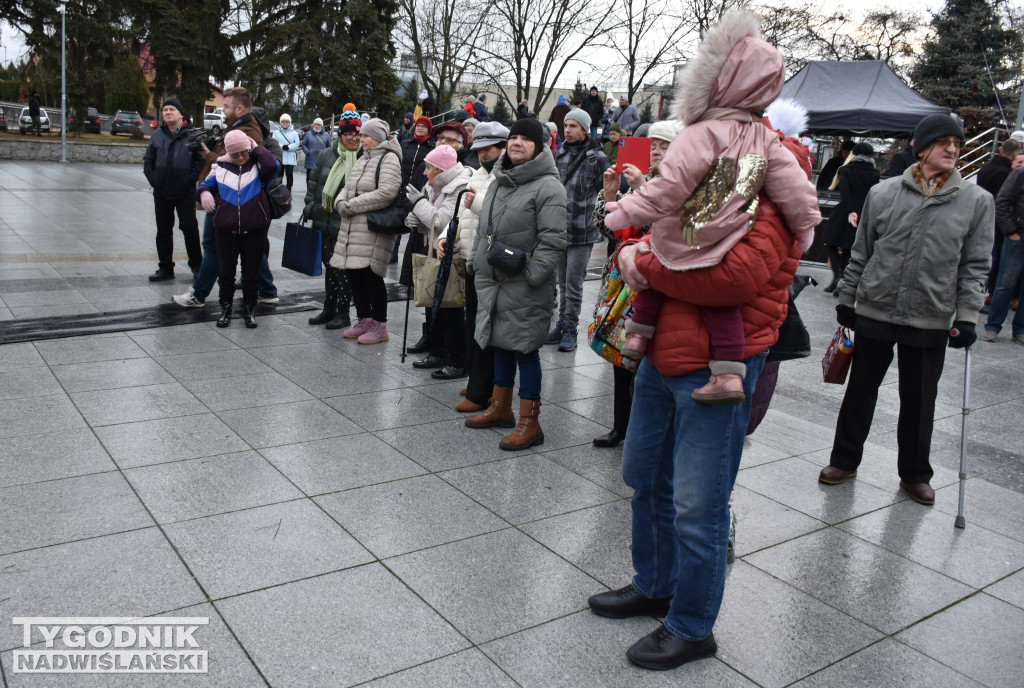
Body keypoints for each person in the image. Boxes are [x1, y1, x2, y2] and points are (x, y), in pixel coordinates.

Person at [586, 13, 820, 671]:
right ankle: (653, 583)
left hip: (722, 361)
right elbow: (668, 230)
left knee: (698, 503)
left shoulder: (765, 181)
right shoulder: (715, 170)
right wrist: (644, 249)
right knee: (644, 476)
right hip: (665, 352)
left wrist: (643, 267)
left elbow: (733, 277)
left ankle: (692, 625)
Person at [822, 113, 993, 506]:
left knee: (919, 400)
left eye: (957, 143)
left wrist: (966, 317)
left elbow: (975, 265)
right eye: (943, 142)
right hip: (875, 310)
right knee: (860, 392)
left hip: (930, 316)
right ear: (921, 148)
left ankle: (915, 474)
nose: (952, 149)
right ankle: (844, 461)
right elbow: (861, 251)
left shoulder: (976, 202)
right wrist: (847, 299)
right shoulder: (883, 193)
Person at [464, 117, 567, 450]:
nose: (517, 143)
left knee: (525, 350)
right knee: (500, 343)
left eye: (525, 138)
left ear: (539, 146)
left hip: (524, 282)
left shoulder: (549, 186)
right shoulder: (499, 181)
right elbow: (483, 228)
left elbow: (553, 240)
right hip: (494, 279)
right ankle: (500, 407)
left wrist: (532, 276)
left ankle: (530, 421)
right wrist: (475, 262)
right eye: (514, 137)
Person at [590, 119, 680, 447]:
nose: (656, 150)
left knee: (646, 364)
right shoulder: (644, 179)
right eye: (653, 144)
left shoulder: (681, 184)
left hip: (655, 287)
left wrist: (641, 189)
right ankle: (621, 427)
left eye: (664, 145)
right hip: (622, 281)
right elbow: (607, 228)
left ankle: (643, 435)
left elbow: (667, 229)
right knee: (620, 355)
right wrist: (611, 193)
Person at [172, 87, 279, 309]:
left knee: (212, 246)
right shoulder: (238, 128)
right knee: (250, 248)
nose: (223, 109)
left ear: (239, 108)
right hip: (229, 198)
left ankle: (199, 295)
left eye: (227, 106)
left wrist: (207, 154)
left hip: (230, 200)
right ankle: (268, 290)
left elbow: (236, 164)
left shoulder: (247, 131)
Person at [435, 121, 509, 412]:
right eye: (479, 149)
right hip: (471, 260)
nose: (483, 154)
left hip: (492, 264)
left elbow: (501, 219)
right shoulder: (477, 175)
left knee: (485, 330)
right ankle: (479, 378)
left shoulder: (505, 178)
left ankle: (483, 387)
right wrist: (444, 238)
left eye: (489, 149)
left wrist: (477, 204)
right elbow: (461, 216)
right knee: (472, 327)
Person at [330, 118, 403, 345]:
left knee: (371, 276)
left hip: (371, 228)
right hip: (353, 226)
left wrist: (352, 206)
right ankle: (363, 319)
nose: (361, 140)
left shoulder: (389, 158)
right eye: (361, 136)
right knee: (354, 274)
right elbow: (347, 186)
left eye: (365, 136)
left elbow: (387, 193)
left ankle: (379, 325)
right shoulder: (364, 157)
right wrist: (340, 201)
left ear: (378, 138)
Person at [197, 131, 279, 329]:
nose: (241, 158)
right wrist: (205, 193)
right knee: (226, 274)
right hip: (226, 230)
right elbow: (204, 185)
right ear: (228, 153)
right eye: (235, 154)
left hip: (254, 230)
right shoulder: (219, 167)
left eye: (244, 153)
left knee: (251, 273)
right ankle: (225, 309)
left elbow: (273, 165)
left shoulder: (257, 166)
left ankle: (249, 311)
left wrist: (254, 147)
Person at [406, 145, 473, 377]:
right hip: (435, 247)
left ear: (440, 169)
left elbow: (443, 219)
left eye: (428, 168)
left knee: (451, 308)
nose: (425, 173)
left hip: (451, 252)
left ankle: (457, 359)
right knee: (432, 301)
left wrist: (417, 205)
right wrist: (415, 218)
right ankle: (437, 351)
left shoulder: (458, 185)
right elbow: (430, 217)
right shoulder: (436, 183)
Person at [547, 109, 609, 352]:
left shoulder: (597, 158)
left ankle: (571, 329)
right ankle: (561, 324)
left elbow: (607, 191)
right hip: (560, 230)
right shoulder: (559, 155)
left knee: (573, 284)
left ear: (585, 129)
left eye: (574, 126)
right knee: (561, 282)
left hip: (583, 232)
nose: (568, 130)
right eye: (566, 126)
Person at [303, 114, 361, 330]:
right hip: (324, 219)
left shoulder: (364, 156)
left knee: (343, 268)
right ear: (340, 135)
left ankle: (343, 312)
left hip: (347, 222)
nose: (353, 139)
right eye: (348, 134)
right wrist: (310, 205)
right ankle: (329, 308)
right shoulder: (326, 155)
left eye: (357, 134)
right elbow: (314, 182)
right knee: (330, 266)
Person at [143, 97, 203, 283]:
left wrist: (188, 181)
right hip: (161, 192)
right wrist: (154, 180)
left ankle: (197, 266)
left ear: (181, 114)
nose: (168, 112)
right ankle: (165, 268)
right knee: (163, 231)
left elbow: (199, 162)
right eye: (165, 109)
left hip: (184, 192)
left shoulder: (191, 135)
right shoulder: (156, 135)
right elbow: (148, 161)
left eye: (172, 109)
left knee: (189, 228)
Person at [821, 142, 880, 293]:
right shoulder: (874, 173)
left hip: (843, 212)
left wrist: (850, 210)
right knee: (848, 249)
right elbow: (873, 195)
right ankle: (842, 280)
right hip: (863, 213)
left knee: (831, 243)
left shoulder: (845, 170)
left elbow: (845, 192)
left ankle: (837, 276)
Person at [399, 116, 437, 352]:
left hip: (435, 234)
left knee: (435, 287)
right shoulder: (407, 145)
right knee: (422, 284)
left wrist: (419, 208)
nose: (420, 128)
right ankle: (428, 334)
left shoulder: (432, 152)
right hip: (416, 215)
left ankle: (436, 337)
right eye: (418, 125)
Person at [983, 159, 1024, 344]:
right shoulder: (1020, 173)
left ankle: (1020, 330)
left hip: (1016, 235)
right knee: (1005, 284)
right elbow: (1002, 201)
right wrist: (1011, 232)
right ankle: (992, 327)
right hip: (1017, 237)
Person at [976, 138, 1021, 307]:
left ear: (1001, 149)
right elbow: (1001, 202)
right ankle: (990, 295)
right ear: (1015, 154)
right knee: (995, 262)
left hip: (986, 218)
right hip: (997, 224)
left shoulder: (987, 167)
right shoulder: (1004, 173)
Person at [271, 114, 300, 191]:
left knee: (289, 174)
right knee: (279, 174)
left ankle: (289, 188)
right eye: (283, 121)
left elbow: (297, 143)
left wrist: (289, 147)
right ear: (281, 122)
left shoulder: (294, 133)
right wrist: (282, 146)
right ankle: (278, 187)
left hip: (290, 157)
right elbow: (274, 142)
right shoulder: (276, 133)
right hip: (280, 156)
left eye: (287, 122)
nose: (285, 123)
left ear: (289, 122)